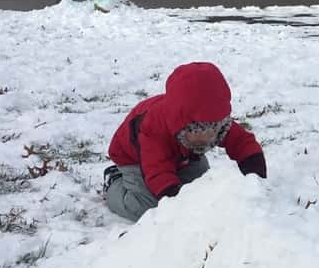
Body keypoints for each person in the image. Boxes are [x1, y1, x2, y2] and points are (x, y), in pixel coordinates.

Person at [103, 62, 266, 221]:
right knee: (149, 206)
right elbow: (157, 171)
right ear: (181, 124)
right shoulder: (154, 129)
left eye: (214, 130)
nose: (208, 137)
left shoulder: (217, 124)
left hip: (180, 155)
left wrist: (255, 176)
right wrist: (176, 202)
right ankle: (113, 183)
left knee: (202, 183)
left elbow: (242, 142)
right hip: (136, 159)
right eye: (199, 130)